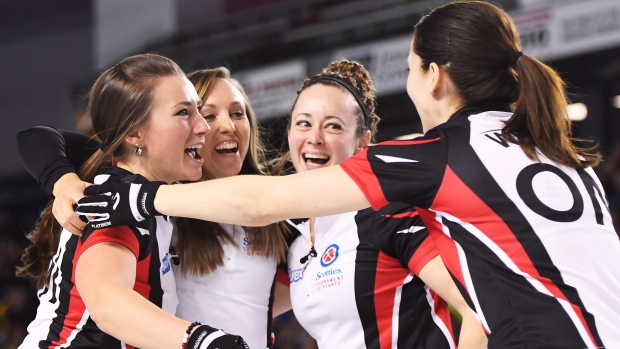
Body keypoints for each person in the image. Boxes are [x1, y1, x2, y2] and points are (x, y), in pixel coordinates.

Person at [77, 2, 620, 348]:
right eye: (302, 122)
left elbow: (258, 203)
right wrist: (61, 177)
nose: (313, 137)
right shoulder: (558, 153)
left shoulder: (431, 157)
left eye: (408, 71)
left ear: (433, 77)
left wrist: (143, 197)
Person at [16, 67, 288, 349]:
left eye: (237, 113)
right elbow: (105, 298)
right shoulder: (125, 194)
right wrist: (64, 182)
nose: (208, 127)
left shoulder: (146, 195)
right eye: (190, 113)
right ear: (137, 133)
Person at [275, 60, 485, 348]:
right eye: (304, 123)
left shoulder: (389, 212)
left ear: (363, 142)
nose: (315, 138)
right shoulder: (296, 237)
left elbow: (478, 307)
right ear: (289, 133)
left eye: (333, 126)